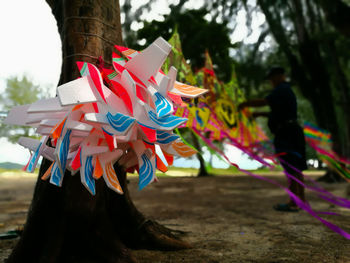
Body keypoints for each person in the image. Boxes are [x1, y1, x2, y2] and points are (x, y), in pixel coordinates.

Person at [239, 66, 307, 212]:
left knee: (291, 169)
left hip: (287, 133)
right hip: (293, 131)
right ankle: (301, 201)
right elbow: (278, 112)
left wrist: (245, 104)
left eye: (272, 78)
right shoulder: (285, 91)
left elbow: (264, 101)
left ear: (279, 76)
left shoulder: (281, 89)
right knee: (296, 168)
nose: (271, 82)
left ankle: (294, 203)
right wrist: (260, 114)